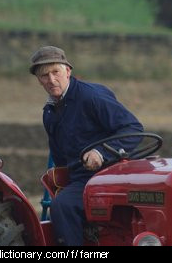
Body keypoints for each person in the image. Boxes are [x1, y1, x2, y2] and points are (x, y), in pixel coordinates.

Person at [29, 46, 144, 246]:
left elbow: (133, 129)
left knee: (62, 206)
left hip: (112, 172)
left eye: (55, 72)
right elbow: (60, 158)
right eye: (44, 75)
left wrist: (101, 152)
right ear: (39, 80)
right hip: (83, 180)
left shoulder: (91, 97)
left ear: (67, 71)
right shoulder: (49, 113)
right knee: (62, 204)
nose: (51, 79)